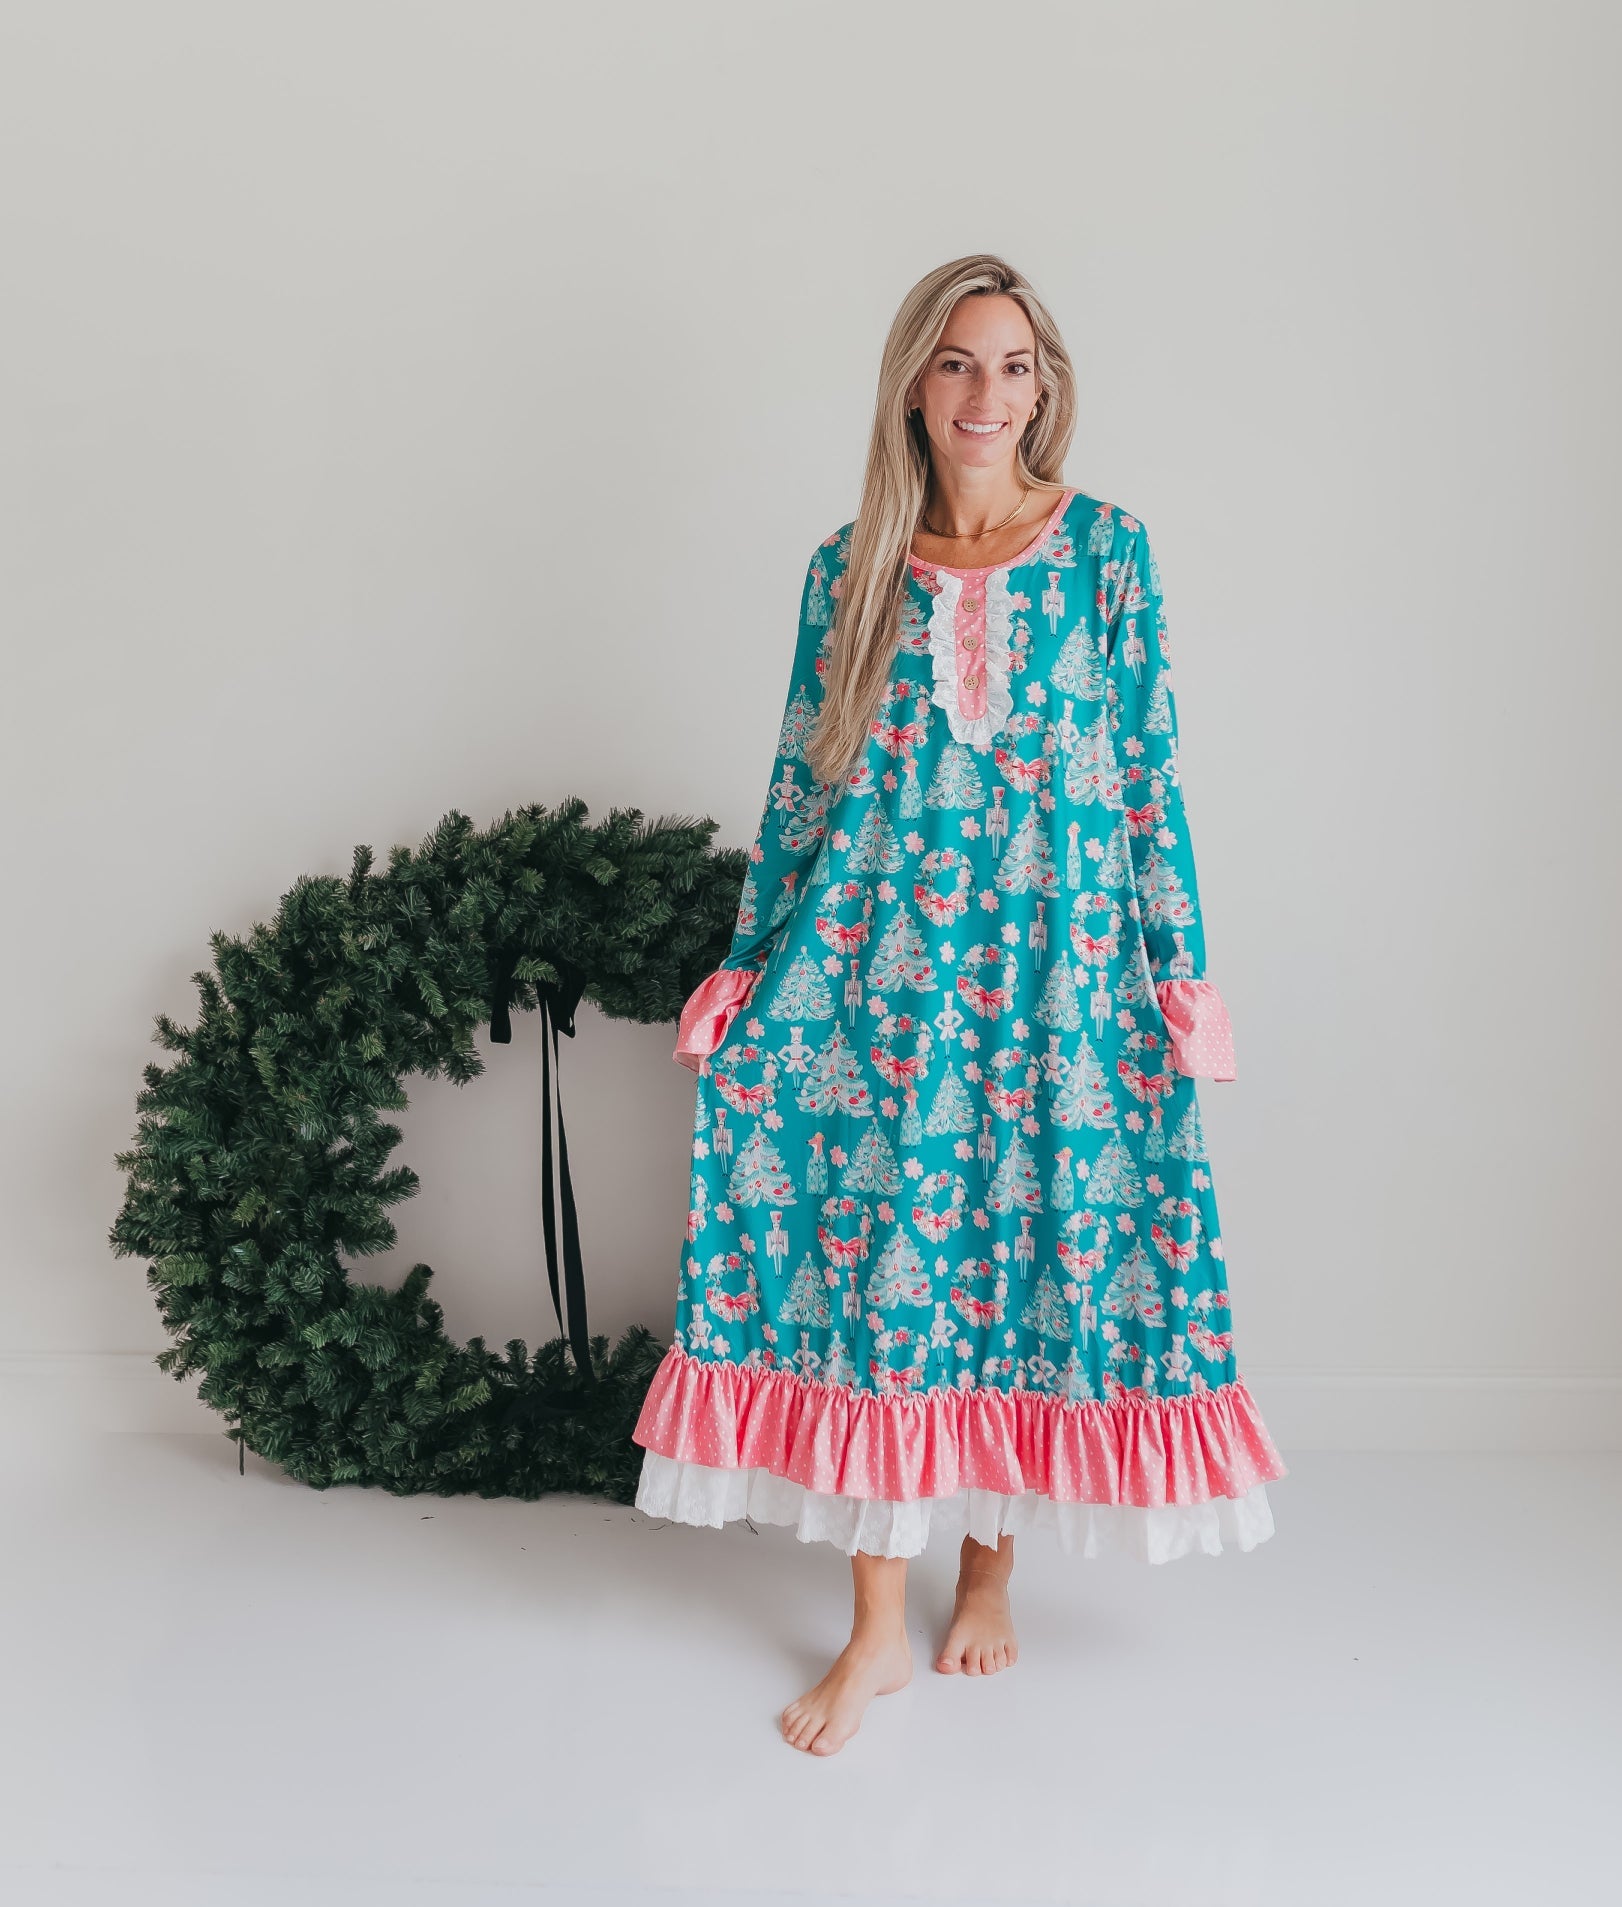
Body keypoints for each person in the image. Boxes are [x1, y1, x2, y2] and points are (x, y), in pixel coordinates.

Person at [633, 254, 1286, 1755]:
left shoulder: (1108, 550)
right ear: (912, 386)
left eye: (1012, 365)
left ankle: (987, 1576)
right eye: (956, 363)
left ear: (1043, 387)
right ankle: (876, 1627)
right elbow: (800, 780)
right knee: (888, 1261)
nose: (986, 394)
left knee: (1031, 1241)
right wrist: (749, 965)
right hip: (883, 966)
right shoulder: (848, 565)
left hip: (1061, 963)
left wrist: (1176, 975)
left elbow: (1148, 776)